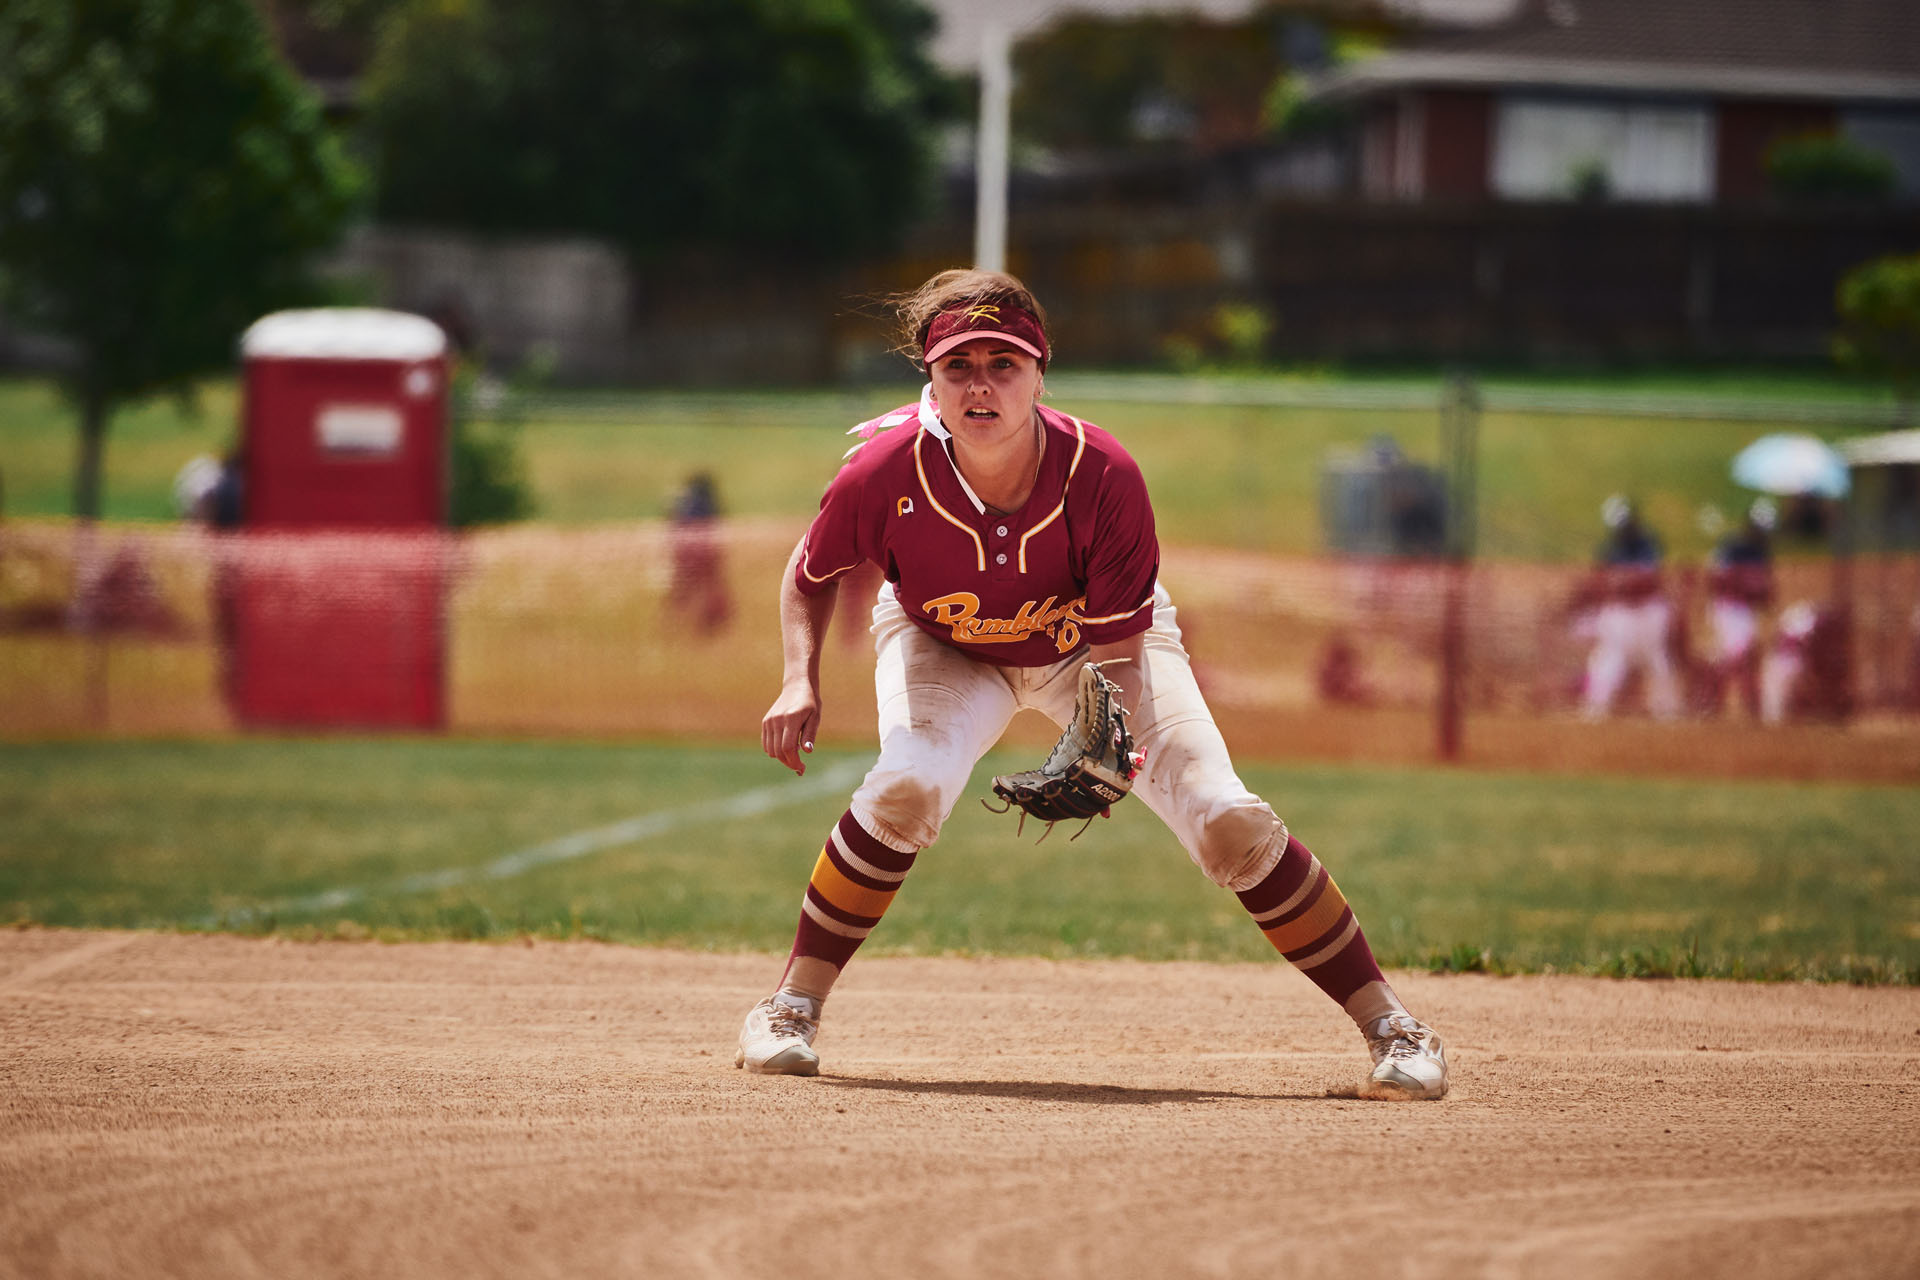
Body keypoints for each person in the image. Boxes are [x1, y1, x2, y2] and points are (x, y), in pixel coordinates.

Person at [737, 268, 1447, 1100]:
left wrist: (1104, 738)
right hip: (944, 646)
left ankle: (1393, 1029)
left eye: (1005, 363)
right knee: (907, 783)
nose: (981, 384)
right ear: (929, 380)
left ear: (1041, 375)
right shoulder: (885, 474)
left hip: (1095, 648)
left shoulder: (1102, 474)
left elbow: (1116, 652)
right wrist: (797, 680)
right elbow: (810, 569)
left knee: (1226, 819)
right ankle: (788, 1010)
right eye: (959, 365)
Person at [1580, 495, 1681, 720]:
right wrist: (1618, 584)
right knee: (1608, 659)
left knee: (1655, 658)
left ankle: (1666, 712)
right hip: (1621, 612)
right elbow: (1601, 581)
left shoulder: (1648, 542)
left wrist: (1623, 582)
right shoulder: (1609, 547)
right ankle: (1595, 710)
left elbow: (1647, 580)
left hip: (1649, 611)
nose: (1625, 529)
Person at [1703, 499, 1776, 718]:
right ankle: (1723, 702)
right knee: (1739, 656)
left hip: (1746, 613)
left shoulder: (1762, 552)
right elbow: (1714, 578)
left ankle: (1716, 701)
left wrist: (1757, 590)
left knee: (1738, 658)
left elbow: (1767, 593)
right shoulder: (1731, 547)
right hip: (1727, 609)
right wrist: (1743, 584)